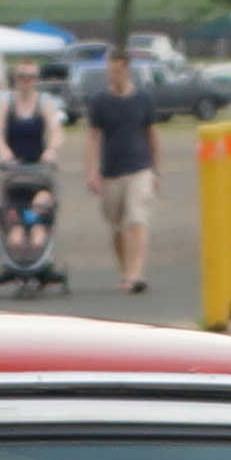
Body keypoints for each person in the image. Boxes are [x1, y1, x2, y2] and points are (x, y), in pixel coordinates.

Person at [71, 42, 166, 298]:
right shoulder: (100, 102)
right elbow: (92, 138)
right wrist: (92, 172)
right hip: (111, 171)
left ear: (127, 70)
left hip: (140, 169)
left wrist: (156, 171)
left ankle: (136, 274)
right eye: (109, 71)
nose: (112, 76)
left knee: (136, 220)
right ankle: (125, 271)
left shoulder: (143, 99)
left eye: (117, 71)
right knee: (116, 226)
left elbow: (152, 136)